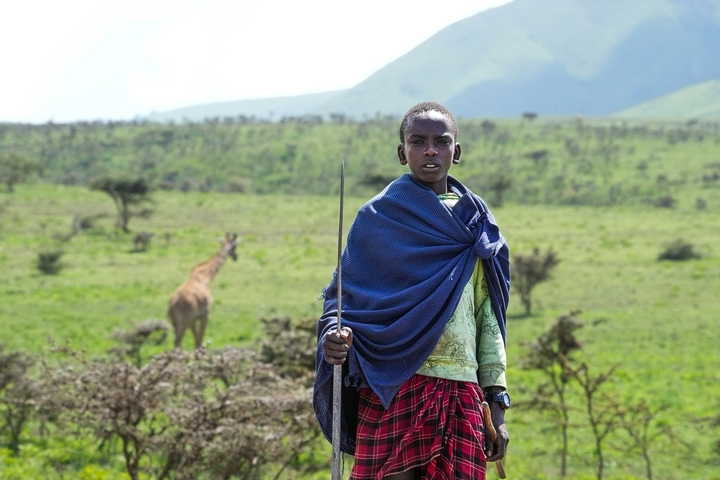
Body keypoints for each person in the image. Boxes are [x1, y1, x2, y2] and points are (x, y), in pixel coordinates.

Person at [313, 101, 511, 480]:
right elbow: (343, 302)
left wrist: (497, 407)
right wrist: (333, 337)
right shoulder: (377, 219)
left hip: (461, 391)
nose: (431, 150)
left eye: (442, 141)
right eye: (418, 141)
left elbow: (488, 318)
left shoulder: (477, 225)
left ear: (458, 151)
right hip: (392, 383)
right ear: (403, 153)